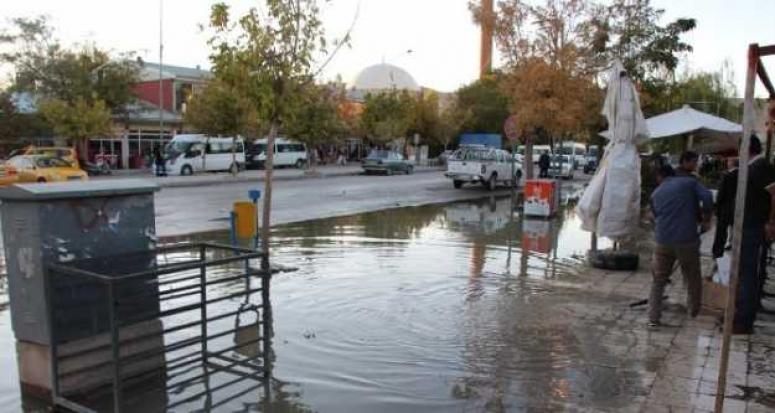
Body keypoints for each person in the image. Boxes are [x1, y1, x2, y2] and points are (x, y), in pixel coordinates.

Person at [648, 151, 714, 327]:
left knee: (658, 280)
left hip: (662, 241)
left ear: (662, 177)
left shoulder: (656, 193)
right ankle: (694, 311)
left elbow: (654, 215)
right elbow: (707, 197)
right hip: (686, 240)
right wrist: (706, 218)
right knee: (692, 276)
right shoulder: (690, 183)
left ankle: (653, 317)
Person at [731, 135, 775, 334]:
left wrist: (770, 222)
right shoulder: (753, 168)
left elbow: (774, 194)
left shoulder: (761, 168)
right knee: (744, 271)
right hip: (748, 226)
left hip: (755, 227)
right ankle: (741, 314)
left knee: (748, 273)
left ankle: (743, 319)